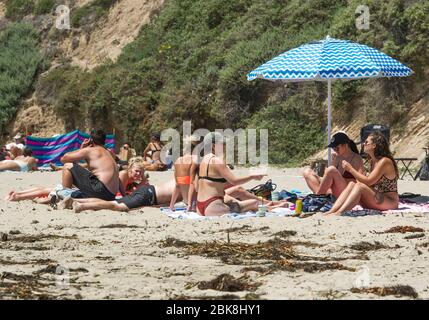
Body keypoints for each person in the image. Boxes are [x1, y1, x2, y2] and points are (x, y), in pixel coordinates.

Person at [325, 131, 399, 216]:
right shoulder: (373, 161)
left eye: (367, 142)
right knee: (352, 184)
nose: (364, 144)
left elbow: (368, 182)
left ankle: (340, 212)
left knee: (359, 186)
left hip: (389, 201)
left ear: (374, 145)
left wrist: (350, 169)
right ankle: (333, 210)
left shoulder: (384, 161)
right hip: (378, 198)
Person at [196, 132, 267, 216]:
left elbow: (199, 186)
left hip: (199, 207)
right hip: (213, 206)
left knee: (236, 200)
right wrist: (252, 176)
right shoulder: (217, 161)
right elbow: (234, 181)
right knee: (254, 203)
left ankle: (273, 204)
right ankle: (273, 206)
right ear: (213, 146)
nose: (225, 146)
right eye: (223, 144)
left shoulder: (202, 161)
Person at [60, 130, 121, 200]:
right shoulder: (110, 153)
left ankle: (65, 196)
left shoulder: (91, 150)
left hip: (100, 190)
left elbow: (63, 159)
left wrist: (82, 148)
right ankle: (69, 194)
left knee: (68, 165)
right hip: (111, 196)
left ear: (91, 140)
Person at [303, 132, 365, 198]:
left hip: (346, 192)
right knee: (307, 172)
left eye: (337, 148)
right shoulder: (337, 157)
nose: (335, 150)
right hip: (333, 190)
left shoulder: (356, 158)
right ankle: (320, 197)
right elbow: (327, 178)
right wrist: (333, 163)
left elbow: (360, 182)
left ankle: (318, 197)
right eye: (333, 148)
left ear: (345, 145)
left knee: (331, 170)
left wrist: (350, 170)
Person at [72, 180, 177, 212]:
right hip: (148, 196)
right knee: (118, 206)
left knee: (115, 202)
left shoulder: (181, 177)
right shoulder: (188, 184)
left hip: (148, 191)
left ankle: (75, 200)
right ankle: (82, 206)